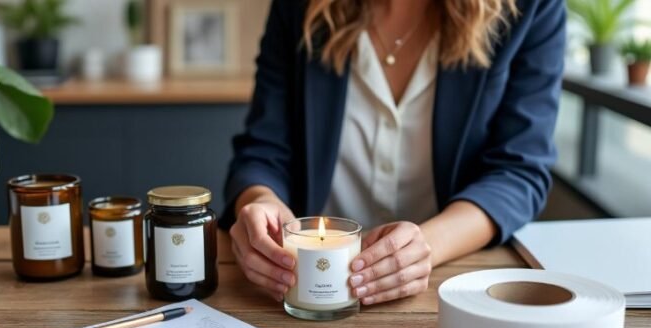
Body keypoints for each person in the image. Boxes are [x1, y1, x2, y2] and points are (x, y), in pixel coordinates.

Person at [221, 0, 564, 305]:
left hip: (449, 289)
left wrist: (426, 246)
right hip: (305, 288)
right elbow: (262, 151)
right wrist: (260, 200)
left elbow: (519, 171)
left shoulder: (531, 8)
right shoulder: (299, 8)